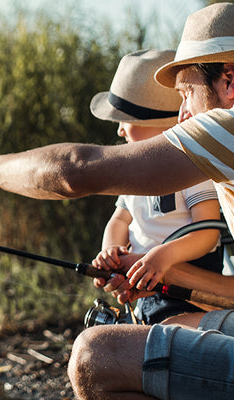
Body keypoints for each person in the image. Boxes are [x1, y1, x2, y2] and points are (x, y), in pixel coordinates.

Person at [0, 3, 234, 398]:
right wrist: (168, 278)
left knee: (97, 355)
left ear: (229, 80)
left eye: (186, 93)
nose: (182, 115)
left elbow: (77, 169)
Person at [89, 49, 222, 324]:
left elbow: (208, 233)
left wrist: (162, 257)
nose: (119, 131)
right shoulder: (134, 174)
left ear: (163, 126)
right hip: (144, 287)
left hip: (186, 289)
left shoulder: (193, 167)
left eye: (126, 121)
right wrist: (110, 251)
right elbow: (119, 220)